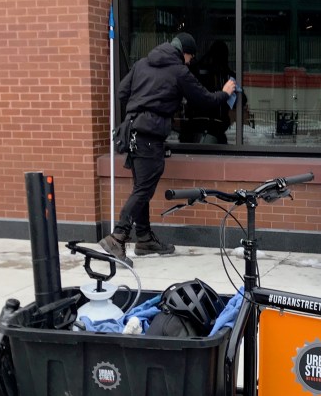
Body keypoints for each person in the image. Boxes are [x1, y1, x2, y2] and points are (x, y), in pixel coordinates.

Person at [100, 32, 236, 266]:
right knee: (143, 189)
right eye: (190, 57)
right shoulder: (178, 71)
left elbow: (122, 92)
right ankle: (118, 236)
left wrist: (144, 100)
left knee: (141, 187)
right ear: (184, 52)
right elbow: (204, 99)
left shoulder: (142, 63)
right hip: (150, 135)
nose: (190, 61)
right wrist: (225, 93)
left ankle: (143, 238)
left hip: (132, 132)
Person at [180, 40, 242, 144]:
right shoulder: (222, 75)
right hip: (207, 125)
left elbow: (241, 99)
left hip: (205, 125)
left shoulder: (224, 75)